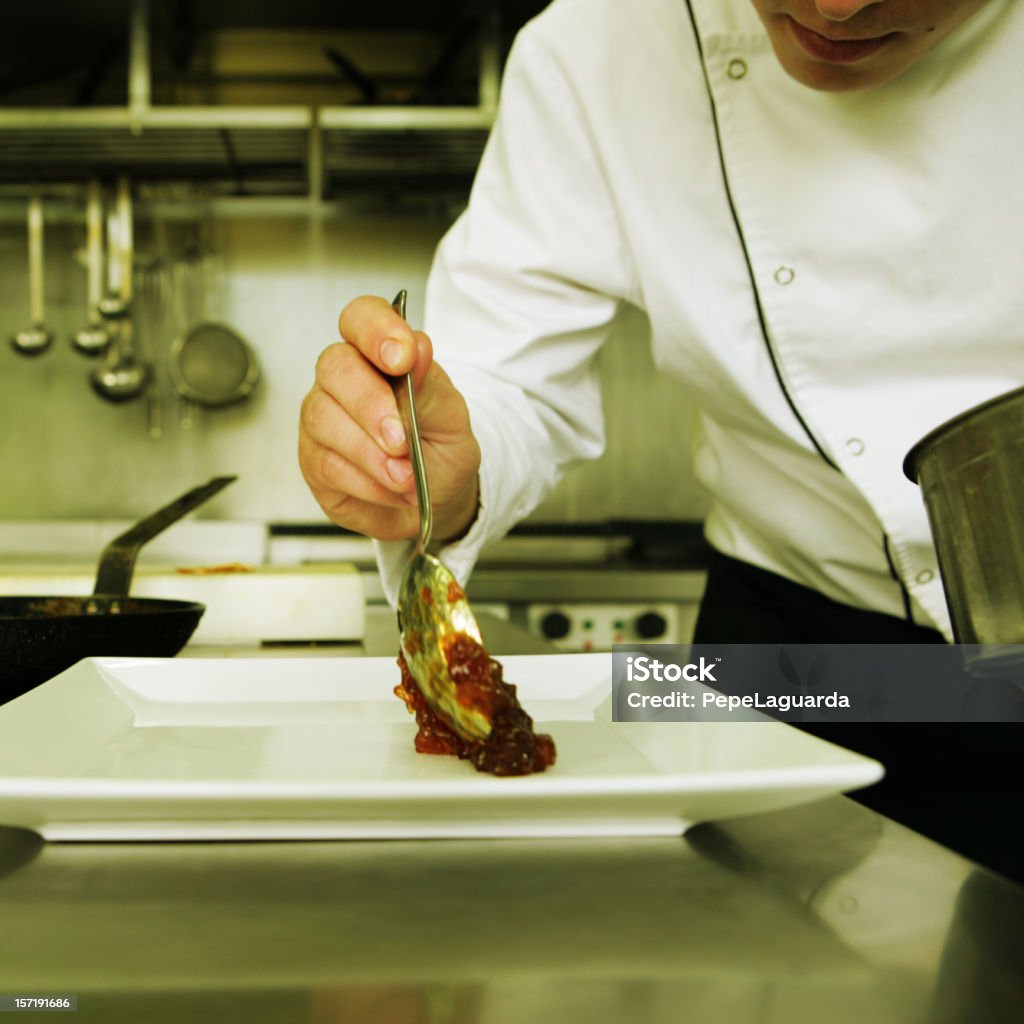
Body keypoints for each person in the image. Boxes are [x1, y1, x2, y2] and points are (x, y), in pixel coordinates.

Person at [299, 0, 1023, 877]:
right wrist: (438, 465)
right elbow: (505, 378)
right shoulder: (600, 41)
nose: (837, 5)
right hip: (796, 664)